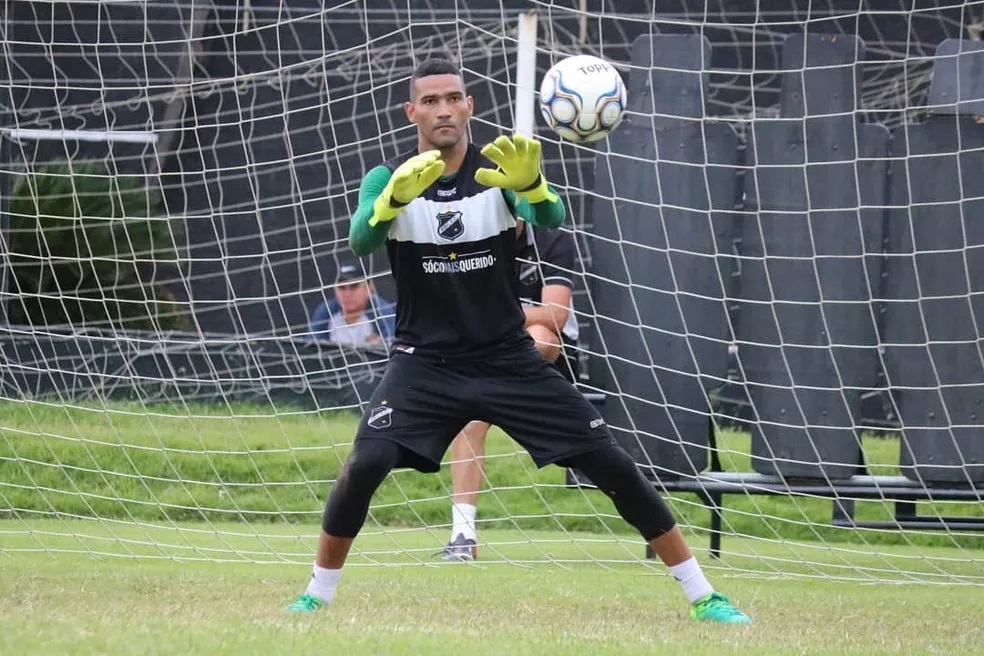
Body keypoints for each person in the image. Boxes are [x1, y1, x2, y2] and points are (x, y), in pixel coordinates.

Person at [285, 57, 751, 624]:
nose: (442, 109)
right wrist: (390, 203)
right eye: (429, 101)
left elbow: (548, 211)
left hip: (506, 358)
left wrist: (530, 185)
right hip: (424, 362)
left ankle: (704, 594)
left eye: (452, 97)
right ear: (412, 112)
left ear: (469, 106)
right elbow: (362, 238)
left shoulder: (499, 173)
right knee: (366, 461)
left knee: (611, 464)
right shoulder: (390, 178)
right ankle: (317, 594)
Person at [441, 219, 581, 561]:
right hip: (486, 351)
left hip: (549, 361)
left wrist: (501, 315)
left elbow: (555, 317)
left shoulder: (552, 239)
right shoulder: (468, 236)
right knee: (470, 419)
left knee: (541, 337)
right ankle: (463, 535)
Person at [308, 263, 395, 345]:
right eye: (342, 288)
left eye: (354, 287)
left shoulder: (382, 311)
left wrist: (379, 347)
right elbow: (312, 348)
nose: (347, 294)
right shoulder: (326, 312)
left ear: (368, 288)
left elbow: (393, 348)